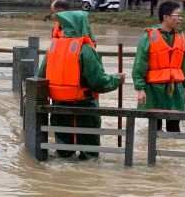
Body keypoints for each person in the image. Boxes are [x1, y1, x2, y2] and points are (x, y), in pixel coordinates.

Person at [36, 10, 124, 160]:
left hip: (59, 110)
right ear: (82, 25)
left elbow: (40, 78)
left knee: (63, 155)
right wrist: (116, 79)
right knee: (89, 156)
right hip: (85, 109)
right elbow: (98, 82)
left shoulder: (52, 48)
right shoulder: (85, 49)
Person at [132, 0, 185, 132]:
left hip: (175, 89)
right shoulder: (148, 37)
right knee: (155, 129)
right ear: (165, 17)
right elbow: (139, 65)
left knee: (174, 129)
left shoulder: (180, 37)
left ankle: (171, 145)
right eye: (177, 15)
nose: (180, 18)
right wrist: (140, 89)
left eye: (181, 15)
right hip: (154, 89)